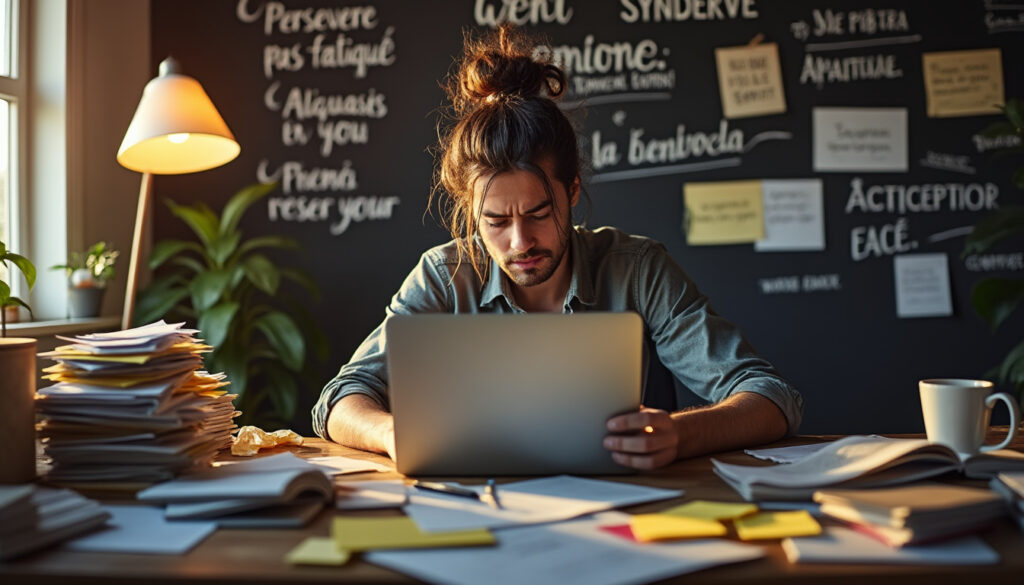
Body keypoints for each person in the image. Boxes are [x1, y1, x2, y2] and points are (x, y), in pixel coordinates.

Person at [312, 26, 803, 470]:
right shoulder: (443, 277)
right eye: (496, 221)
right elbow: (339, 399)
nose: (520, 242)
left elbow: (770, 397)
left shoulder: (638, 270)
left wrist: (681, 433)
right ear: (471, 212)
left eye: (539, 213)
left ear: (571, 192)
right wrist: (394, 434)